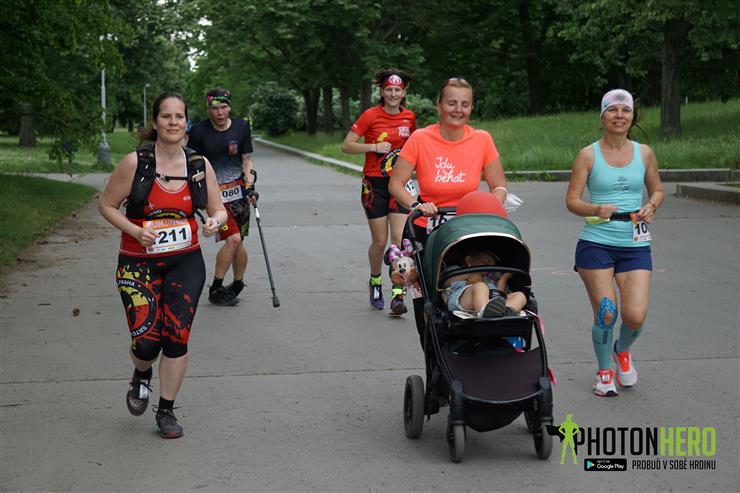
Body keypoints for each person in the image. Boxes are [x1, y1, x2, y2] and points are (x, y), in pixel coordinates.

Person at [99, 92, 227, 438]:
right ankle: (142, 373)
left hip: (185, 261)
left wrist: (214, 222)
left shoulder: (198, 165)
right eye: (166, 116)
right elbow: (107, 205)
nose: (173, 122)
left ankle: (166, 411)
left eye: (179, 116)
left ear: (187, 122)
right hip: (137, 263)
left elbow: (218, 209)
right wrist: (135, 231)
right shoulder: (134, 163)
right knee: (146, 344)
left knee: (176, 337)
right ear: (155, 122)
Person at [565, 88, 664, 397]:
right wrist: (595, 209)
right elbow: (572, 201)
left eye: (625, 110)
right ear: (602, 116)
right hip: (596, 242)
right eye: (612, 110)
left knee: (635, 315)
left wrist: (652, 205)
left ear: (632, 116)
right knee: (607, 311)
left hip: (634, 243)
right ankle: (604, 371)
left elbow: (658, 190)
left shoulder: (644, 153)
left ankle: (622, 349)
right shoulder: (588, 155)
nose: (619, 115)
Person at [389, 77, 508, 244]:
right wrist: (416, 205)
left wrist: (488, 207)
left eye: (465, 105)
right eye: (452, 103)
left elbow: (499, 186)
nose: (458, 110)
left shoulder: (482, 139)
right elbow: (395, 184)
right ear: (439, 105)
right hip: (427, 225)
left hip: (467, 226)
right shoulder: (420, 138)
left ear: (471, 108)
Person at [341, 68, 417, 316]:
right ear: (382, 92)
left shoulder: (409, 118)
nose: (393, 94)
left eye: (397, 90)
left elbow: (416, 149)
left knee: (399, 241)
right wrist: (373, 146)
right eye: (389, 90)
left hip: (400, 184)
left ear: (403, 92)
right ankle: (375, 280)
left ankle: (397, 294)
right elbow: (347, 145)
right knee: (380, 242)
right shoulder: (370, 115)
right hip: (374, 186)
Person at [187, 88, 256, 306]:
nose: (219, 113)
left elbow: (247, 159)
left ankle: (237, 284)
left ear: (229, 107)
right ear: (208, 109)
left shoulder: (242, 127)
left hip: (239, 194)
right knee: (233, 239)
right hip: (214, 196)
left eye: (223, 107)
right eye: (214, 108)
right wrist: (195, 193)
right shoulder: (198, 132)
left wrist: (250, 184)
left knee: (238, 241)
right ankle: (216, 288)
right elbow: (191, 164)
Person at [443, 249, 527, 319]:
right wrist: (470, 275)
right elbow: (445, 282)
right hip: (463, 300)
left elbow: (498, 294)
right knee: (481, 286)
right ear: (469, 260)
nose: (488, 266)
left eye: (491, 266)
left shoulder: (488, 279)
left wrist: (503, 278)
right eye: (485, 262)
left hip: (491, 302)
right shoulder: (458, 270)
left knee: (520, 295)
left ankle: (506, 311)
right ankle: (485, 313)